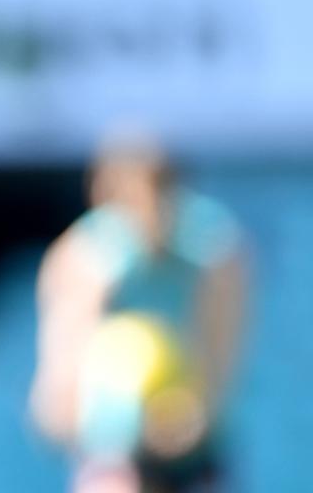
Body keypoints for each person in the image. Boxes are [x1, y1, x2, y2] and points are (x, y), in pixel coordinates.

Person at [29, 132, 248, 493]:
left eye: (158, 191)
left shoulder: (215, 252)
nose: (148, 212)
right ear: (104, 196)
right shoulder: (84, 258)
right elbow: (55, 404)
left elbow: (218, 375)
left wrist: (191, 418)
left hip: (193, 456)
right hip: (111, 457)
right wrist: (108, 424)